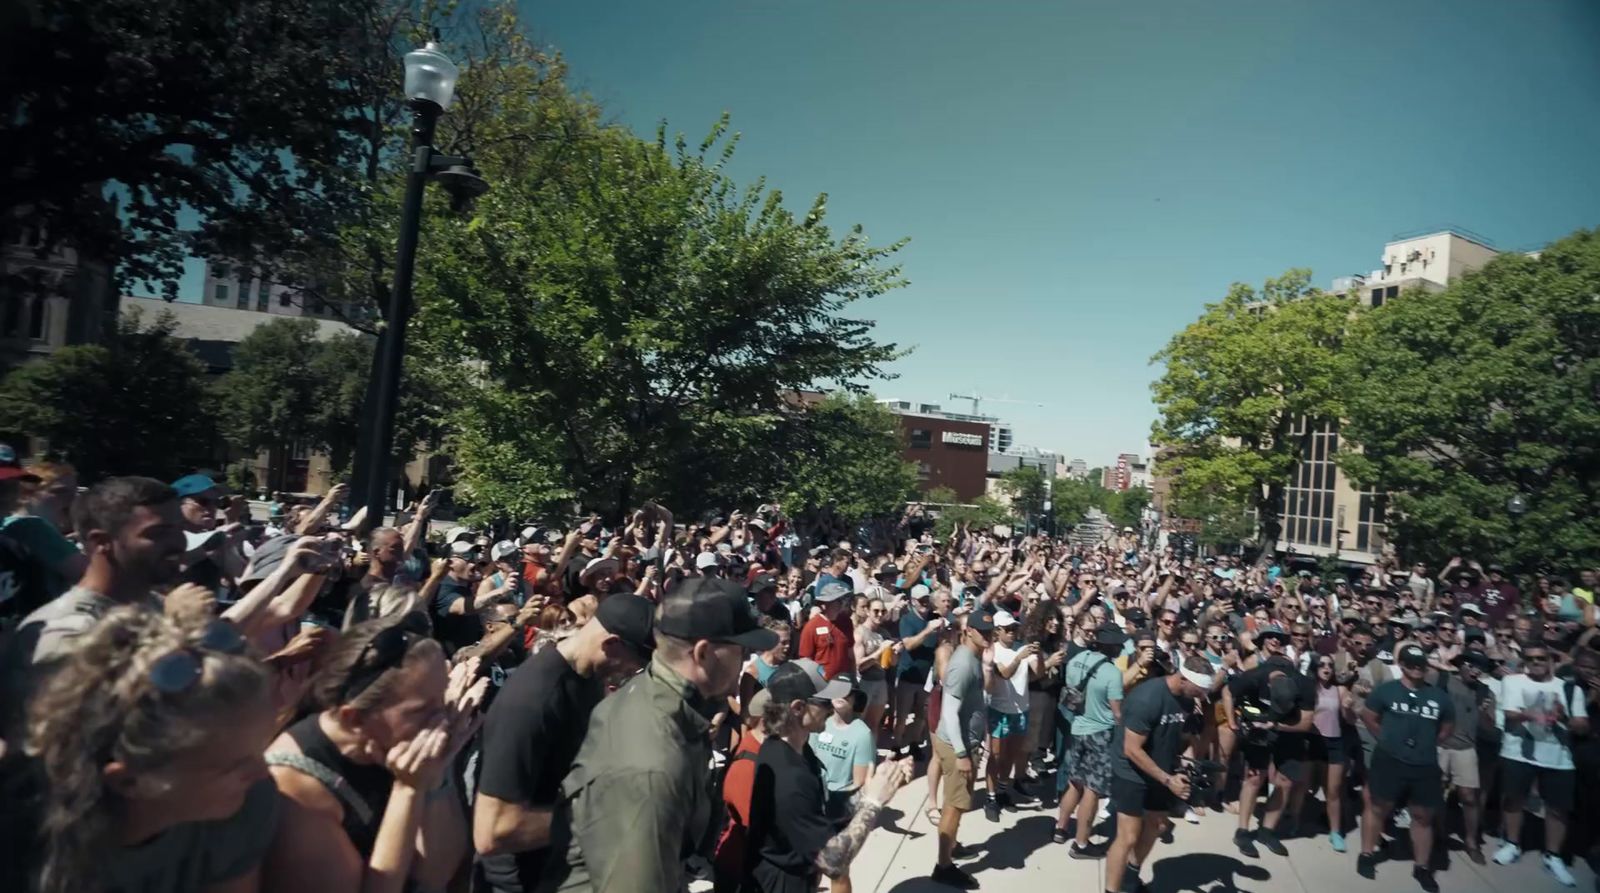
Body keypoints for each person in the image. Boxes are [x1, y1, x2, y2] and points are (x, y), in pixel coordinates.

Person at [536, 576, 777, 893]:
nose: (746, 661)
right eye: (740, 650)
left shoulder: (650, 693)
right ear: (702, 653)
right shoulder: (654, 764)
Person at [18, 608, 280, 893]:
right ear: (129, 781)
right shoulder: (20, 844)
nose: (262, 772)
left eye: (259, 750)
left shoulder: (247, 803)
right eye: (232, 766)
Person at [263, 611, 488, 893]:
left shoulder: (392, 742)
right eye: (422, 710)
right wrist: (408, 790)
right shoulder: (296, 789)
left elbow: (437, 873)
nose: (442, 720)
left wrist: (438, 773)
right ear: (353, 719)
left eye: (442, 698)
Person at [473, 595, 657, 893]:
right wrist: (603, 814)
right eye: (634, 664)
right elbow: (493, 831)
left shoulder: (586, 679)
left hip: (562, 868)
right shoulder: (531, 701)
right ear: (611, 644)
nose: (631, 673)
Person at [745, 659, 912, 893]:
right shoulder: (788, 775)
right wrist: (873, 804)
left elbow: (823, 809)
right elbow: (832, 862)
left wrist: (874, 788)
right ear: (797, 708)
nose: (831, 708)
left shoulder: (800, 750)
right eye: (823, 702)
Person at [9, 476, 185, 667]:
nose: (178, 542)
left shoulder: (157, 606)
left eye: (179, 529)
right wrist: (180, 629)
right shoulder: (66, 632)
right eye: (157, 533)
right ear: (101, 542)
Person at [1104, 655, 1216, 893]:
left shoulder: (1187, 698)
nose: (1202, 697)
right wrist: (1167, 780)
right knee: (1128, 837)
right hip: (1130, 771)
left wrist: (1184, 764)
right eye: (1200, 690)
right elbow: (1132, 749)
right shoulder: (1147, 699)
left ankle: (1130, 878)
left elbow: (1176, 735)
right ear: (1184, 679)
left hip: (1161, 769)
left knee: (1157, 825)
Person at [1357, 644, 1455, 891]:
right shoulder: (1386, 691)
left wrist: (1430, 743)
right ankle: (1367, 854)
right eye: (1410, 663)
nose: (1416, 668)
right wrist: (1385, 738)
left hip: (1424, 765)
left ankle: (1422, 867)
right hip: (1389, 761)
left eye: (1420, 663)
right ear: (1401, 665)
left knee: (1423, 816)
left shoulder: (1439, 696)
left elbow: (1448, 726)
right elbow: (1368, 715)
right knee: (1378, 807)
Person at [1491, 640, 1589, 886]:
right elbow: (1511, 715)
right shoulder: (1512, 682)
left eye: (1541, 658)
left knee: (1557, 808)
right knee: (1514, 799)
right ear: (1525, 661)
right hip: (1517, 752)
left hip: (1558, 756)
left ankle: (1553, 855)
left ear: (1551, 662)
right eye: (1531, 658)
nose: (1536, 662)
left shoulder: (1570, 689)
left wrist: (1562, 715)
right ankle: (1512, 843)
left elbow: (1582, 725)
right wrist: (1531, 714)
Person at [1227, 623, 1314, 858]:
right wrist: (1235, 719)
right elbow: (1229, 691)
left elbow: (1305, 723)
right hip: (1259, 726)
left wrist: (1275, 723)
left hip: (1290, 730)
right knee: (1254, 779)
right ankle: (1243, 831)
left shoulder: (1305, 685)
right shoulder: (1254, 676)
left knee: (1285, 782)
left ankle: (1267, 830)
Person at [928, 609, 997, 891]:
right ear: (969, 631)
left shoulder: (974, 658)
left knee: (953, 805)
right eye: (984, 632)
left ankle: (951, 846)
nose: (989, 637)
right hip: (958, 746)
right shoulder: (963, 665)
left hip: (966, 742)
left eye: (991, 632)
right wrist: (961, 754)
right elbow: (949, 712)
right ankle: (943, 866)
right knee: (955, 807)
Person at [1053, 621, 1126, 856]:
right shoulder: (1113, 673)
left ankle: (1060, 828)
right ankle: (1081, 843)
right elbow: (1117, 713)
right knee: (1092, 790)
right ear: (1111, 646)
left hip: (1078, 728)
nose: (1121, 649)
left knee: (1074, 781)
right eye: (1119, 645)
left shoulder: (1078, 659)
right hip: (1101, 734)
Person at [1434, 649, 1494, 867]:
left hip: (1466, 748)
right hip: (1439, 745)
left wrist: (1485, 712)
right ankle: (1438, 835)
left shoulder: (1485, 692)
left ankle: (1471, 842)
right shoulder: (1442, 680)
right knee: (1437, 793)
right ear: (1460, 665)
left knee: (1469, 796)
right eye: (1470, 664)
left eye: (1479, 667)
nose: (1474, 670)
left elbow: (1489, 727)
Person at [984, 610, 1037, 819]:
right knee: (996, 756)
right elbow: (1004, 674)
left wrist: (1039, 656)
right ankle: (990, 797)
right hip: (999, 710)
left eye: (1015, 628)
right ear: (998, 631)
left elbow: (1038, 672)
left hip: (1020, 710)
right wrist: (1019, 657)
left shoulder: (1021, 648)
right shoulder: (992, 651)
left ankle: (1003, 790)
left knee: (1011, 755)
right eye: (1008, 629)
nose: (1013, 633)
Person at [1306, 653, 1355, 852]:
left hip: (1334, 742)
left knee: (1333, 790)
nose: (1326, 668)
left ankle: (1335, 832)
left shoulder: (1340, 689)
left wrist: (1348, 708)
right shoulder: (1309, 688)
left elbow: (1350, 719)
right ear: (1315, 668)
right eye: (1321, 665)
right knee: (1305, 785)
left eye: (1330, 665)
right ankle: (1293, 820)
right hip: (1312, 740)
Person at [893, 586, 946, 758]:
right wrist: (928, 630)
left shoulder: (934, 618)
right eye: (921, 600)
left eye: (926, 600)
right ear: (913, 602)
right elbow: (908, 644)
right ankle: (896, 746)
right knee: (902, 715)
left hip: (927, 677)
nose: (925, 603)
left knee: (921, 716)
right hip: (908, 675)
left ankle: (914, 744)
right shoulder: (907, 620)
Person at [799, 581, 855, 681]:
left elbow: (850, 653)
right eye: (837, 600)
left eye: (842, 600)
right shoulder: (811, 626)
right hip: (822, 684)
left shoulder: (847, 622)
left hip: (844, 681)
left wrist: (853, 677)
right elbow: (805, 660)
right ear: (825, 604)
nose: (842, 603)